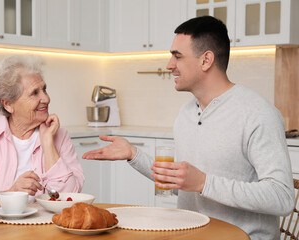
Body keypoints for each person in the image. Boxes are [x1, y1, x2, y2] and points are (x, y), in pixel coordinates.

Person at [82, 16, 295, 239]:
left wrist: (204, 182)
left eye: (177, 56)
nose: (169, 65)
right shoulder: (186, 114)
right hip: (191, 234)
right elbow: (184, 184)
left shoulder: (257, 113)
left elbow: (282, 198)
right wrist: (133, 154)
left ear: (206, 60)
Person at [0, 55, 85, 202]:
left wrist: (48, 143)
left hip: (45, 224)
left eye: (44, 89)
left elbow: (70, 197)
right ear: (8, 104)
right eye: (35, 93)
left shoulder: (58, 135)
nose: (46, 99)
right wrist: (10, 193)